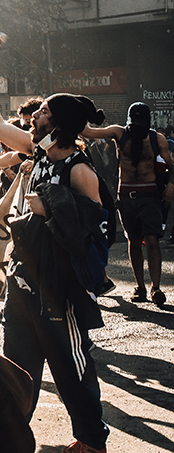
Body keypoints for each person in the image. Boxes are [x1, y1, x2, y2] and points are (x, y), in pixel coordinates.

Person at [0, 85, 111, 453]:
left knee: (71, 367)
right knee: (17, 367)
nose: (34, 117)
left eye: (44, 112)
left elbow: (97, 230)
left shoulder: (80, 170)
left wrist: (52, 210)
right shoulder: (37, 151)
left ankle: (91, 440)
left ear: (60, 123)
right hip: (22, 281)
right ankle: (7, 435)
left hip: (59, 287)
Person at [83, 102, 173, 305]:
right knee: (133, 240)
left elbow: (171, 165)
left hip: (150, 195)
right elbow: (88, 132)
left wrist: (170, 186)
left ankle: (155, 288)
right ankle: (140, 287)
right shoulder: (119, 133)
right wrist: (83, 112)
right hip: (126, 195)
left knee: (152, 240)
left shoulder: (156, 139)